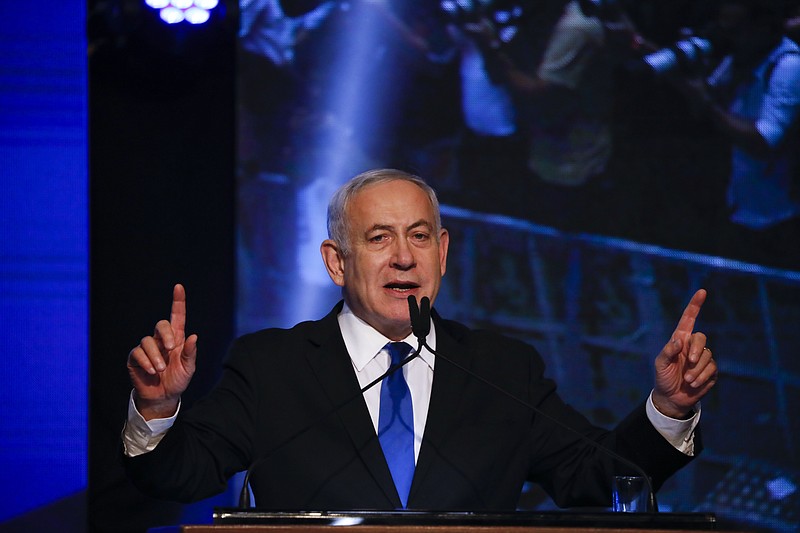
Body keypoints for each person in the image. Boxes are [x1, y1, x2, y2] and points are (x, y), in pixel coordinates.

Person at [123, 168, 718, 509]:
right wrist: (156, 409)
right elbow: (179, 476)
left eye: (419, 236)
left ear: (443, 250)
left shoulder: (504, 370)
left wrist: (669, 408)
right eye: (379, 238)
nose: (403, 257)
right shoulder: (272, 365)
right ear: (336, 263)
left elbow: (601, 478)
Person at [673, 0, 800, 269]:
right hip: (738, 203)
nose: (728, 37)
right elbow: (705, 99)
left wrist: (707, 104)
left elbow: (764, 142)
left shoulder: (788, 66)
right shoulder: (739, 57)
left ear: (761, 27)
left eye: (736, 30)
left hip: (774, 215)